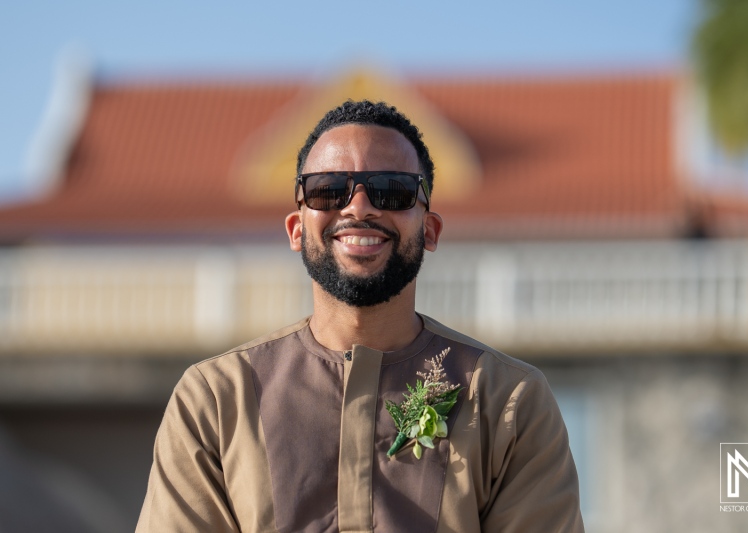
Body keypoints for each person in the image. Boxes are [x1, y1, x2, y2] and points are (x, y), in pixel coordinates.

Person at [136, 100, 584, 532]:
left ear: (429, 230)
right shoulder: (216, 400)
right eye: (328, 189)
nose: (359, 207)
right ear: (297, 229)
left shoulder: (508, 400)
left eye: (392, 190)